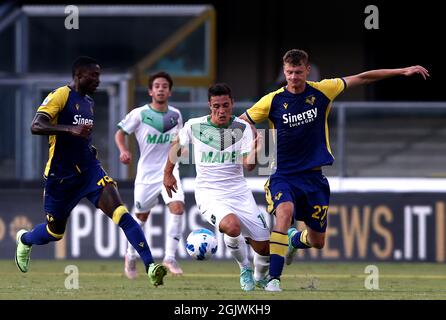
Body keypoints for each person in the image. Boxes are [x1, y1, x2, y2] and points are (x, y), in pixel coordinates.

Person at [239, 49, 430, 292]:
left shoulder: (323, 90)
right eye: (289, 72)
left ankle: (294, 241)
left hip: (314, 178)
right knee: (284, 214)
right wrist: (254, 138)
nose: (293, 77)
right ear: (284, 72)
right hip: (283, 175)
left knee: (317, 241)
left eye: (298, 72)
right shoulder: (273, 100)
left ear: (307, 70)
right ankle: (274, 279)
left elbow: (363, 78)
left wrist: (401, 71)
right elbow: (243, 120)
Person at [14, 56, 167, 287]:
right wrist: (70, 129)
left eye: (99, 75)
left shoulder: (89, 102)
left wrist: (86, 145)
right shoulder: (60, 95)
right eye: (93, 75)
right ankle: (25, 239)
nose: (98, 80)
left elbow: (83, 136)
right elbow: (36, 125)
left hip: (89, 171)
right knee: (54, 233)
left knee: (122, 213)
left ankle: (151, 266)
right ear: (78, 75)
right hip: (60, 178)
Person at [164, 83, 271, 291]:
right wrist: (167, 173)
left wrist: (257, 150)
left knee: (264, 247)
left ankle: (259, 276)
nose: (221, 111)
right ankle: (245, 268)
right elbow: (177, 145)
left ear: (232, 103)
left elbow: (248, 166)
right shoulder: (194, 126)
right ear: (209, 106)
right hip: (209, 193)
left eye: (225, 105)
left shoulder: (242, 128)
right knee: (232, 226)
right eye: (216, 106)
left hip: (239, 192)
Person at [115, 71, 186, 278]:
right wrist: (123, 150)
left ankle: (170, 258)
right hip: (146, 174)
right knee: (141, 217)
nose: (161, 89)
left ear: (170, 91)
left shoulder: (176, 115)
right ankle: (130, 255)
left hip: (170, 172)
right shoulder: (139, 114)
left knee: (178, 208)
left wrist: (182, 153)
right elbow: (119, 132)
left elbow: (178, 142)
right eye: (157, 86)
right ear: (150, 91)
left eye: (165, 86)